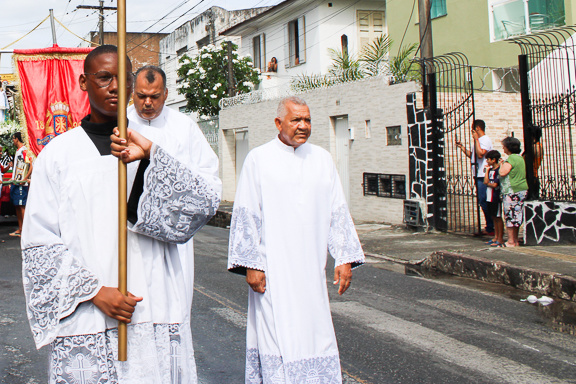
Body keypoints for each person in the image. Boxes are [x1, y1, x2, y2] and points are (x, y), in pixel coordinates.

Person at [22, 45, 220, 382]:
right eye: (104, 78)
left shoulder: (151, 144)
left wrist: (152, 158)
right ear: (83, 82)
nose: (115, 87)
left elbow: (202, 206)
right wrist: (95, 292)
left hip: (154, 302)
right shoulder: (57, 155)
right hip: (89, 312)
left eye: (123, 79)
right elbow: (40, 242)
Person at [228, 96, 364, 382]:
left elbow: (337, 209)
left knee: (316, 334)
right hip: (272, 272)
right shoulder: (259, 159)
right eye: (296, 120)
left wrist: (344, 258)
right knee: (276, 337)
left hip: (312, 271)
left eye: (307, 120)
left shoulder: (322, 159)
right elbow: (247, 213)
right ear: (279, 123)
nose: (303, 126)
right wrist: (251, 265)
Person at [126, 64, 221, 328]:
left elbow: (208, 180)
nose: (147, 103)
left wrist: (158, 161)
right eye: (141, 96)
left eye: (154, 97)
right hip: (130, 234)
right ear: (132, 93)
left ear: (166, 94)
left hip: (172, 238)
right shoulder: (121, 123)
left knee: (172, 306)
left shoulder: (184, 127)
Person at [457, 119, 493, 238]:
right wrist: (462, 147)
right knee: (482, 201)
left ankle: (491, 227)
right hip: (477, 174)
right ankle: (489, 226)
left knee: (484, 201)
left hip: (483, 175)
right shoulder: (479, 141)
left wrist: (476, 139)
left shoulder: (484, 140)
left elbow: (481, 154)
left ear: (477, 128)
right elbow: (473, 156)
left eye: (472, 130)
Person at [499, 137, 528, 247]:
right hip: (521, 189)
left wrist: (501, 164)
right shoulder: (520, 158)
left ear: (508, 147)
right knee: (517, 215)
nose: (503, 148)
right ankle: (515, 240)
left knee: (510, 215)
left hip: (512, 190)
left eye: (504, 146)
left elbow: (503, 172)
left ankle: (511, 241)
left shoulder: (511, 158)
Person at [9, 132, 32, 238]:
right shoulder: (18, 151)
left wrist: (25, 178)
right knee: (17, 206)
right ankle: (20, 228)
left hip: (21, 183)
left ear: (17, 139)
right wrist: (13, 178)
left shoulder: (24, 150)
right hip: (16, 181)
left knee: (22, 206)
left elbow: (31, 165)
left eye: (13, 139)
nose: (13, 141)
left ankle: (26, 230)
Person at [483, 150, 504, 247]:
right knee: (493, 217)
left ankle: (500, 238)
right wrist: (487, 171)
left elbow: (495, 184)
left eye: (488, 159)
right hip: (489, 197)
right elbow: (485, 181)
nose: (487, 161)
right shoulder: (490, 170)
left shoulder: (498, 170)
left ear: (493, 159)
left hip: (495, 197)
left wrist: (489, 183)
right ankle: (496, 237)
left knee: (498, 217)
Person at [525, 125, 543, 201]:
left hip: (532, 177)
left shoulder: (536, 147)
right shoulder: (535, 146)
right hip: (529, 176)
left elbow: (537, 154)